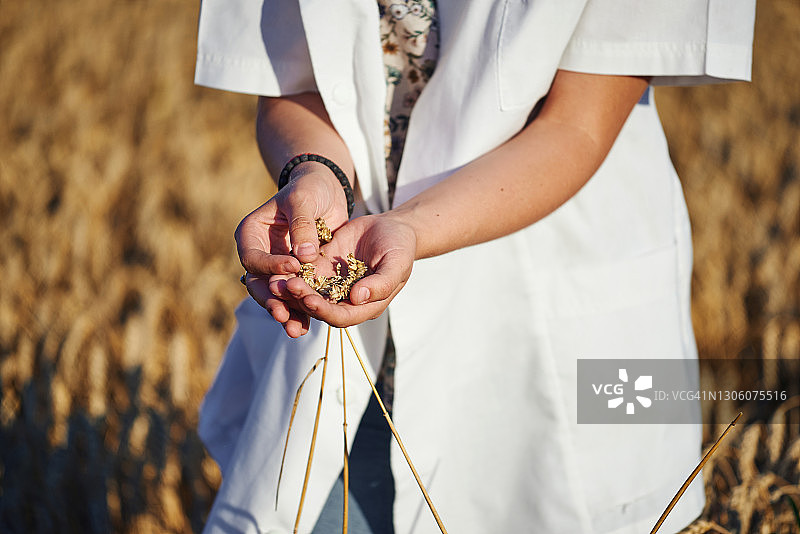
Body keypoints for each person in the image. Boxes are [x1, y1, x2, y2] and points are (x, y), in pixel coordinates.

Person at [194, 1, 756, 533]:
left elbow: (578, 124)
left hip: (551, 314)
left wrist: (410, 228)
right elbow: (293, 83)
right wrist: (316, 173)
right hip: (346, 349)